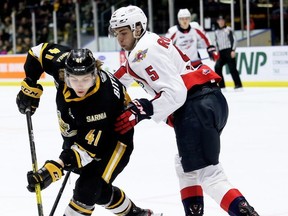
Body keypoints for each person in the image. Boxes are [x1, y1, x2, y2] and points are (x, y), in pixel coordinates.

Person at [109, 5, 259, 216]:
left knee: (210, 175)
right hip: (211, 101)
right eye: (116, 34)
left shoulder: (143, 52)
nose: (119, 39)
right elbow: (123, 74)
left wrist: (143, 109)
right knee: (184, 164)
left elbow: (175, 94)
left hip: (194, 108)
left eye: (123, 33)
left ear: (137, 28)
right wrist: (100, 80)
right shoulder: (147, 42)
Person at [16, 44, 155, 216]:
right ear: (64, 74)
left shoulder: (102, 101)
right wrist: (31, 82)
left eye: (85, 79)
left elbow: (86, 150)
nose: (80, 86)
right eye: (73, 79)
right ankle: (134, 214)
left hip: (115, 139)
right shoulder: (61, 62)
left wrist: (54, 169)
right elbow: (37, 53)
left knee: (87, 190)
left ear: (95, 74)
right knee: (99, 191)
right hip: (81, 130)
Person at [214, 15, 243, 90]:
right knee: (217, 67)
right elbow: (216, 42)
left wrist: (233, 50)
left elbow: (234, 40)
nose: (221, 22)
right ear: (217, 21)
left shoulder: (229, 29)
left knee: (232, 68)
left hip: (229, 51)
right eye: (219, 20)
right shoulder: (216, 32)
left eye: (222, 20)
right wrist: (216, 53)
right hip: (221, 52)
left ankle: (238, 85)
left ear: (224, 21)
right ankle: (222, 86)